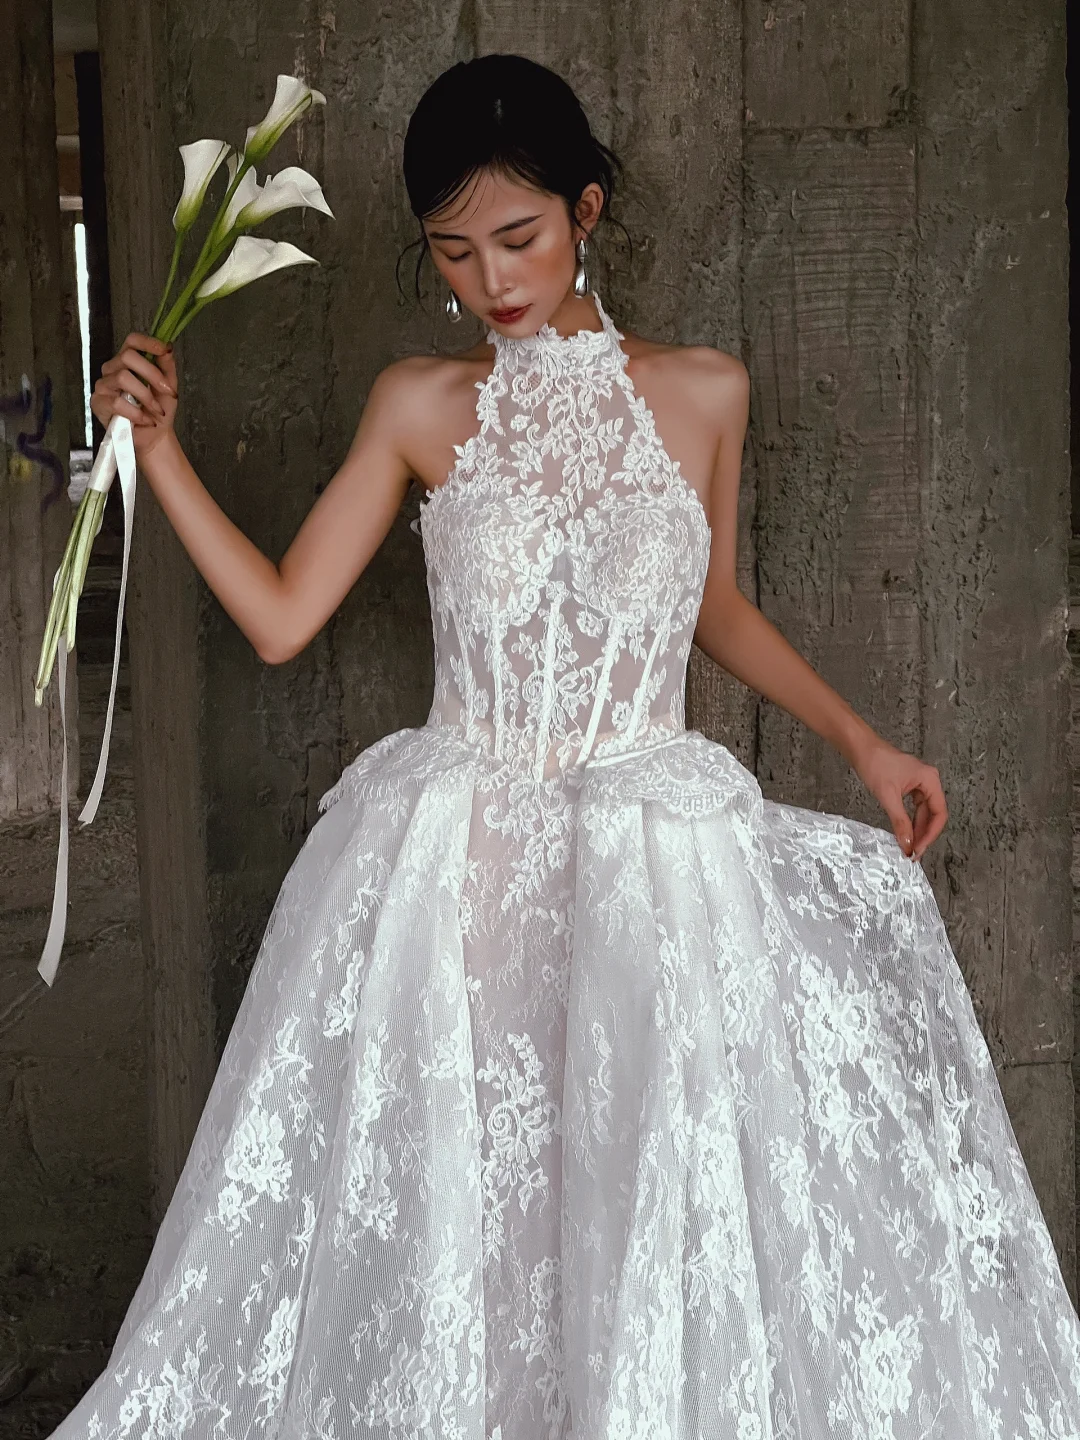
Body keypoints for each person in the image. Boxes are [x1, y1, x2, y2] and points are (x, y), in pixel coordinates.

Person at [55, 50, 1080, 1440]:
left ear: (587, 209)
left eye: (521, 236)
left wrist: (863, 739)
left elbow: (709, 603)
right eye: (456, 251)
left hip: (656, 862)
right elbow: (286, 617)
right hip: (458, 864)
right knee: (480, 1208)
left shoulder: (705, 391)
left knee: (634, 1192)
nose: (495, 279)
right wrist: (159, 452)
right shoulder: (420, 405)